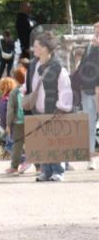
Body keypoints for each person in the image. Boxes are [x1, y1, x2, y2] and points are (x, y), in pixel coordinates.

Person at [23, 32, 73, 182]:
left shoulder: (58, 67)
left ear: (45, 48)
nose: (33, 49)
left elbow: (65, 88)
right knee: (43, 141)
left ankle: (58, 170)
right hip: (38, 110)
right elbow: (28, 85)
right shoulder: (33, 65)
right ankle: (45, 170)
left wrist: (62, 107)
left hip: (54, 109)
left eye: (37, 46)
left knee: (55, 140)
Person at [77, 21, 99, 171]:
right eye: (95, 31)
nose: (96, 34)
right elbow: (83, 66)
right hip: (87, 90)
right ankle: (91, 159)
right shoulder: (90, 47)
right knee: (89, 125)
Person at [2, 71, 31, 175]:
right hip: (31, 120)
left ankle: (14, 167)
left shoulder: (14, 92)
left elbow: (10, 110)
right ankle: (39, 167)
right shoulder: (30, 89)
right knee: (33, 143)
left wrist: (8, 125)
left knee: (17, 144)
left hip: (18, 121)